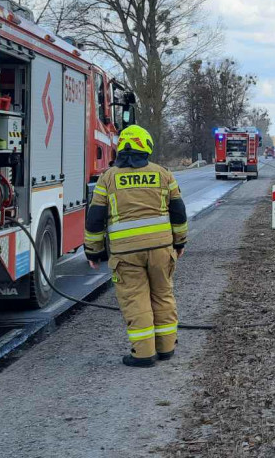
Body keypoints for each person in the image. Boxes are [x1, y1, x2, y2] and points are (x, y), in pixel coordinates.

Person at [84, 125, 189, 367]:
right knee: (163, 295)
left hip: (125, 254)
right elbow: (178, 212)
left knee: (136, 299)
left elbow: (95, 217)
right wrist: (180, 242)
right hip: (162, 249)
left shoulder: (107, 178)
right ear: (146, 146)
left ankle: (143, 354)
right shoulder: (164, 174)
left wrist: (94, 250)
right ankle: (166, 348)